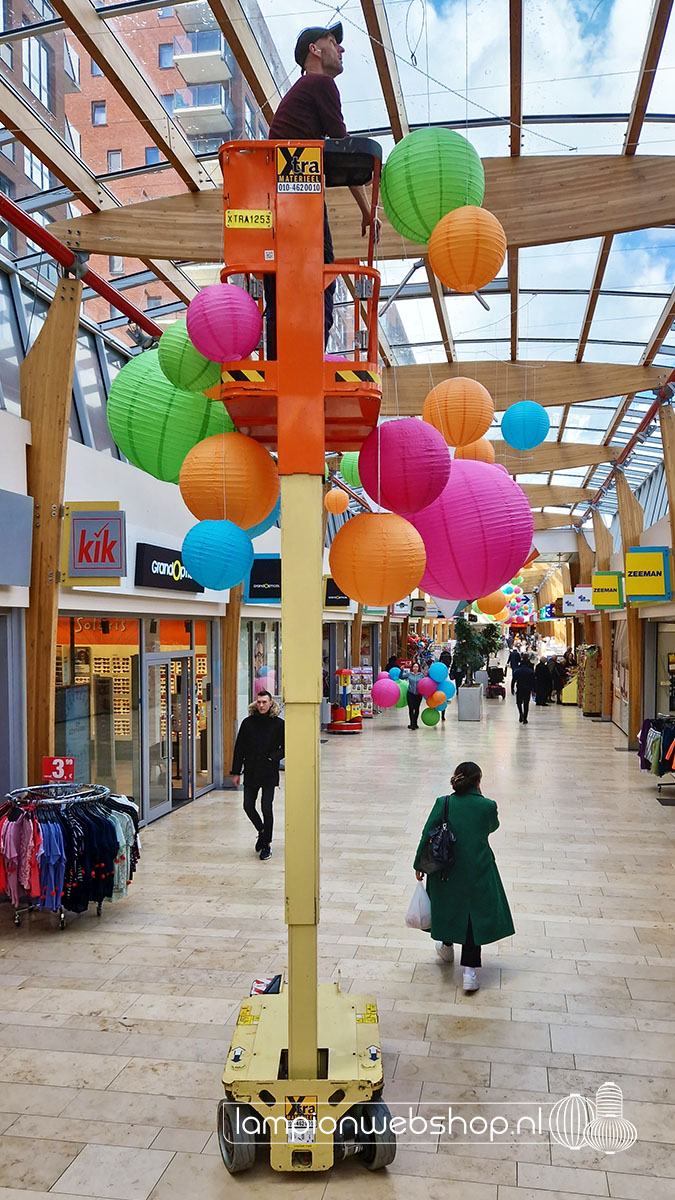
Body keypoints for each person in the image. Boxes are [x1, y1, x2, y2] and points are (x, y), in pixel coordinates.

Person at [264, 24, 380, 356]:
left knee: (282, 286)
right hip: (300, 198)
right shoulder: (320, 84)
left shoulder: (303, 91)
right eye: (334, 42)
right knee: (321, 275)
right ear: (315, 50)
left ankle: (281, 358)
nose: (341, 50)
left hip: (282, 197)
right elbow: (344, 148)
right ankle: (309, 360)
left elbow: (335, 155)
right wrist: (367, 211)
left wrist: (366, 211)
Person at [413, 761, 514, 993]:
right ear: (478, 782)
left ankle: (446, 947)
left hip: (445, 870)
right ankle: (469, 972)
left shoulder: (443, 803)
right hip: (478, 870)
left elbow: (426, 833)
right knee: (472, 917)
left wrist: (419, 863)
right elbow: (492, 826)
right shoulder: (487, 806)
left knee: (449, 907)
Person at [231, 690, 285, 861]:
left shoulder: (278, 724)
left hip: (269, 771)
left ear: (271, 703)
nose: (261, 705)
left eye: (264, 702)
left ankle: (267, 844)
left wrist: (273, 758)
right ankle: (262, 831)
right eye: (259, 702)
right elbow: (239, 748)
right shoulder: (248, 723)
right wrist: (235, 771)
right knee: (248, 806)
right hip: (251, 770)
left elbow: (286, 745)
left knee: (266, 808)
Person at [511, 654, 535, 724]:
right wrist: (534, 690)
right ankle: (525, 718)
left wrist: (512, 688)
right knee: (526, 703)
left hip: (520, 688)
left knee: (519, 702)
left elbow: (513, 680)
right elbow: (533, 681)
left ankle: (520, 713)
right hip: (527, 689)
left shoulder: (517, 671)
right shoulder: (530, 671)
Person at [401, 661, 423, 730]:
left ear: (418, 668)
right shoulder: (409, 674)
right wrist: (401, 670)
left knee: (416, 709)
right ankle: (412, 723)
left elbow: (426, 683)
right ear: (412, 668)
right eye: (414, 667)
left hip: (418, 694)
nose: (415, 668)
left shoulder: (421, 675)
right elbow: (401, 677)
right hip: (410, 693)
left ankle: (415, 723)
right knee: (411, 708)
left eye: (417, 667)